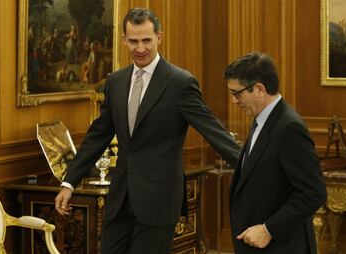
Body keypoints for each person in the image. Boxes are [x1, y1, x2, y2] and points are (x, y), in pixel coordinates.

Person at [55, 8, 241, 254]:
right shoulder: (116, 82)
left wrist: (250, 168)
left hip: (159, 202)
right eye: (133, 41)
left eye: (146, 40)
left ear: (159, 38)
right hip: (119, 200)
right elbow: (98, 135)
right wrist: (69, 181)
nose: (139, 48)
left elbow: (213, 131)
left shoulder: (180, 83)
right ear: (124, 40)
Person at [224, 51, 327, 254]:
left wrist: (269, 229)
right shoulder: (262, 120)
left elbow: (313, 193)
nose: (235, 101)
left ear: (259, 89)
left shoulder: (289, 128)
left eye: (238, 93)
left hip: (282, 246)